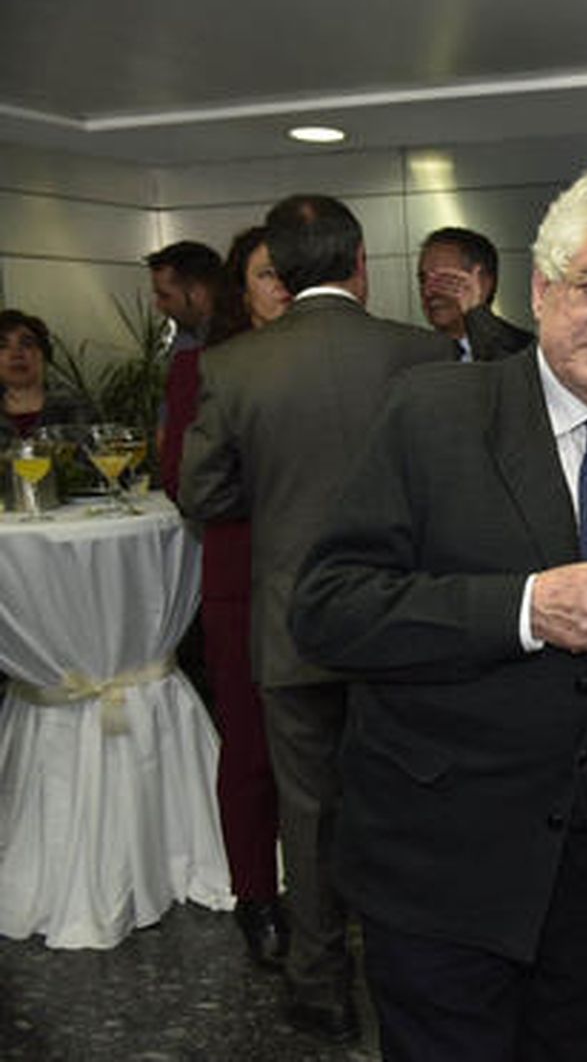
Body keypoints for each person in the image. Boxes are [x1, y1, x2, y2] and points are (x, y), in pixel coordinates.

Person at [288, 164, 587, 1060]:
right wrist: (524, 609)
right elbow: (328, 609)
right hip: (444, 879)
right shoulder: (434, 414)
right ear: (540, 290)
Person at [179, 195, 455, 1044]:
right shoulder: (425, 353)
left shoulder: (234, 368)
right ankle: (427, 978)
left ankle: (320, 984)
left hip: (294, 625)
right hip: (405, 628)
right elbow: (456, 487)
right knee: (415, 809)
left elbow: (202, 494)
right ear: (360, 261)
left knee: (310, 813)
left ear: (279, 269)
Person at [159, 225, 291, 972]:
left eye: (290, 276)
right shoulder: (206, 369)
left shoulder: (335, 367)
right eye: (269, 276)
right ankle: (256, 897)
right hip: (243, 578)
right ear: (243, 289)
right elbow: (183, 480)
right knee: (251, 749)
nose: (282, 289)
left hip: (336, 584)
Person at [149, 240, 227, 493]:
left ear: (197, 291)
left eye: (164, 295)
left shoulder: (234, 341)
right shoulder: (182, 340)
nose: (159, 306)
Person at [417, 225, 534, 361]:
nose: (428, 291)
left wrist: (478, 317)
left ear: (483, 284)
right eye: (423, 279)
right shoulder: (413, 356)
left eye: (445, 279)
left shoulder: (527, 351)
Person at [0, 310, 90, 443]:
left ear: (44, 354)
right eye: (2, 346)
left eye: (27, 344)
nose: (16, 354)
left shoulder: (77, 407)